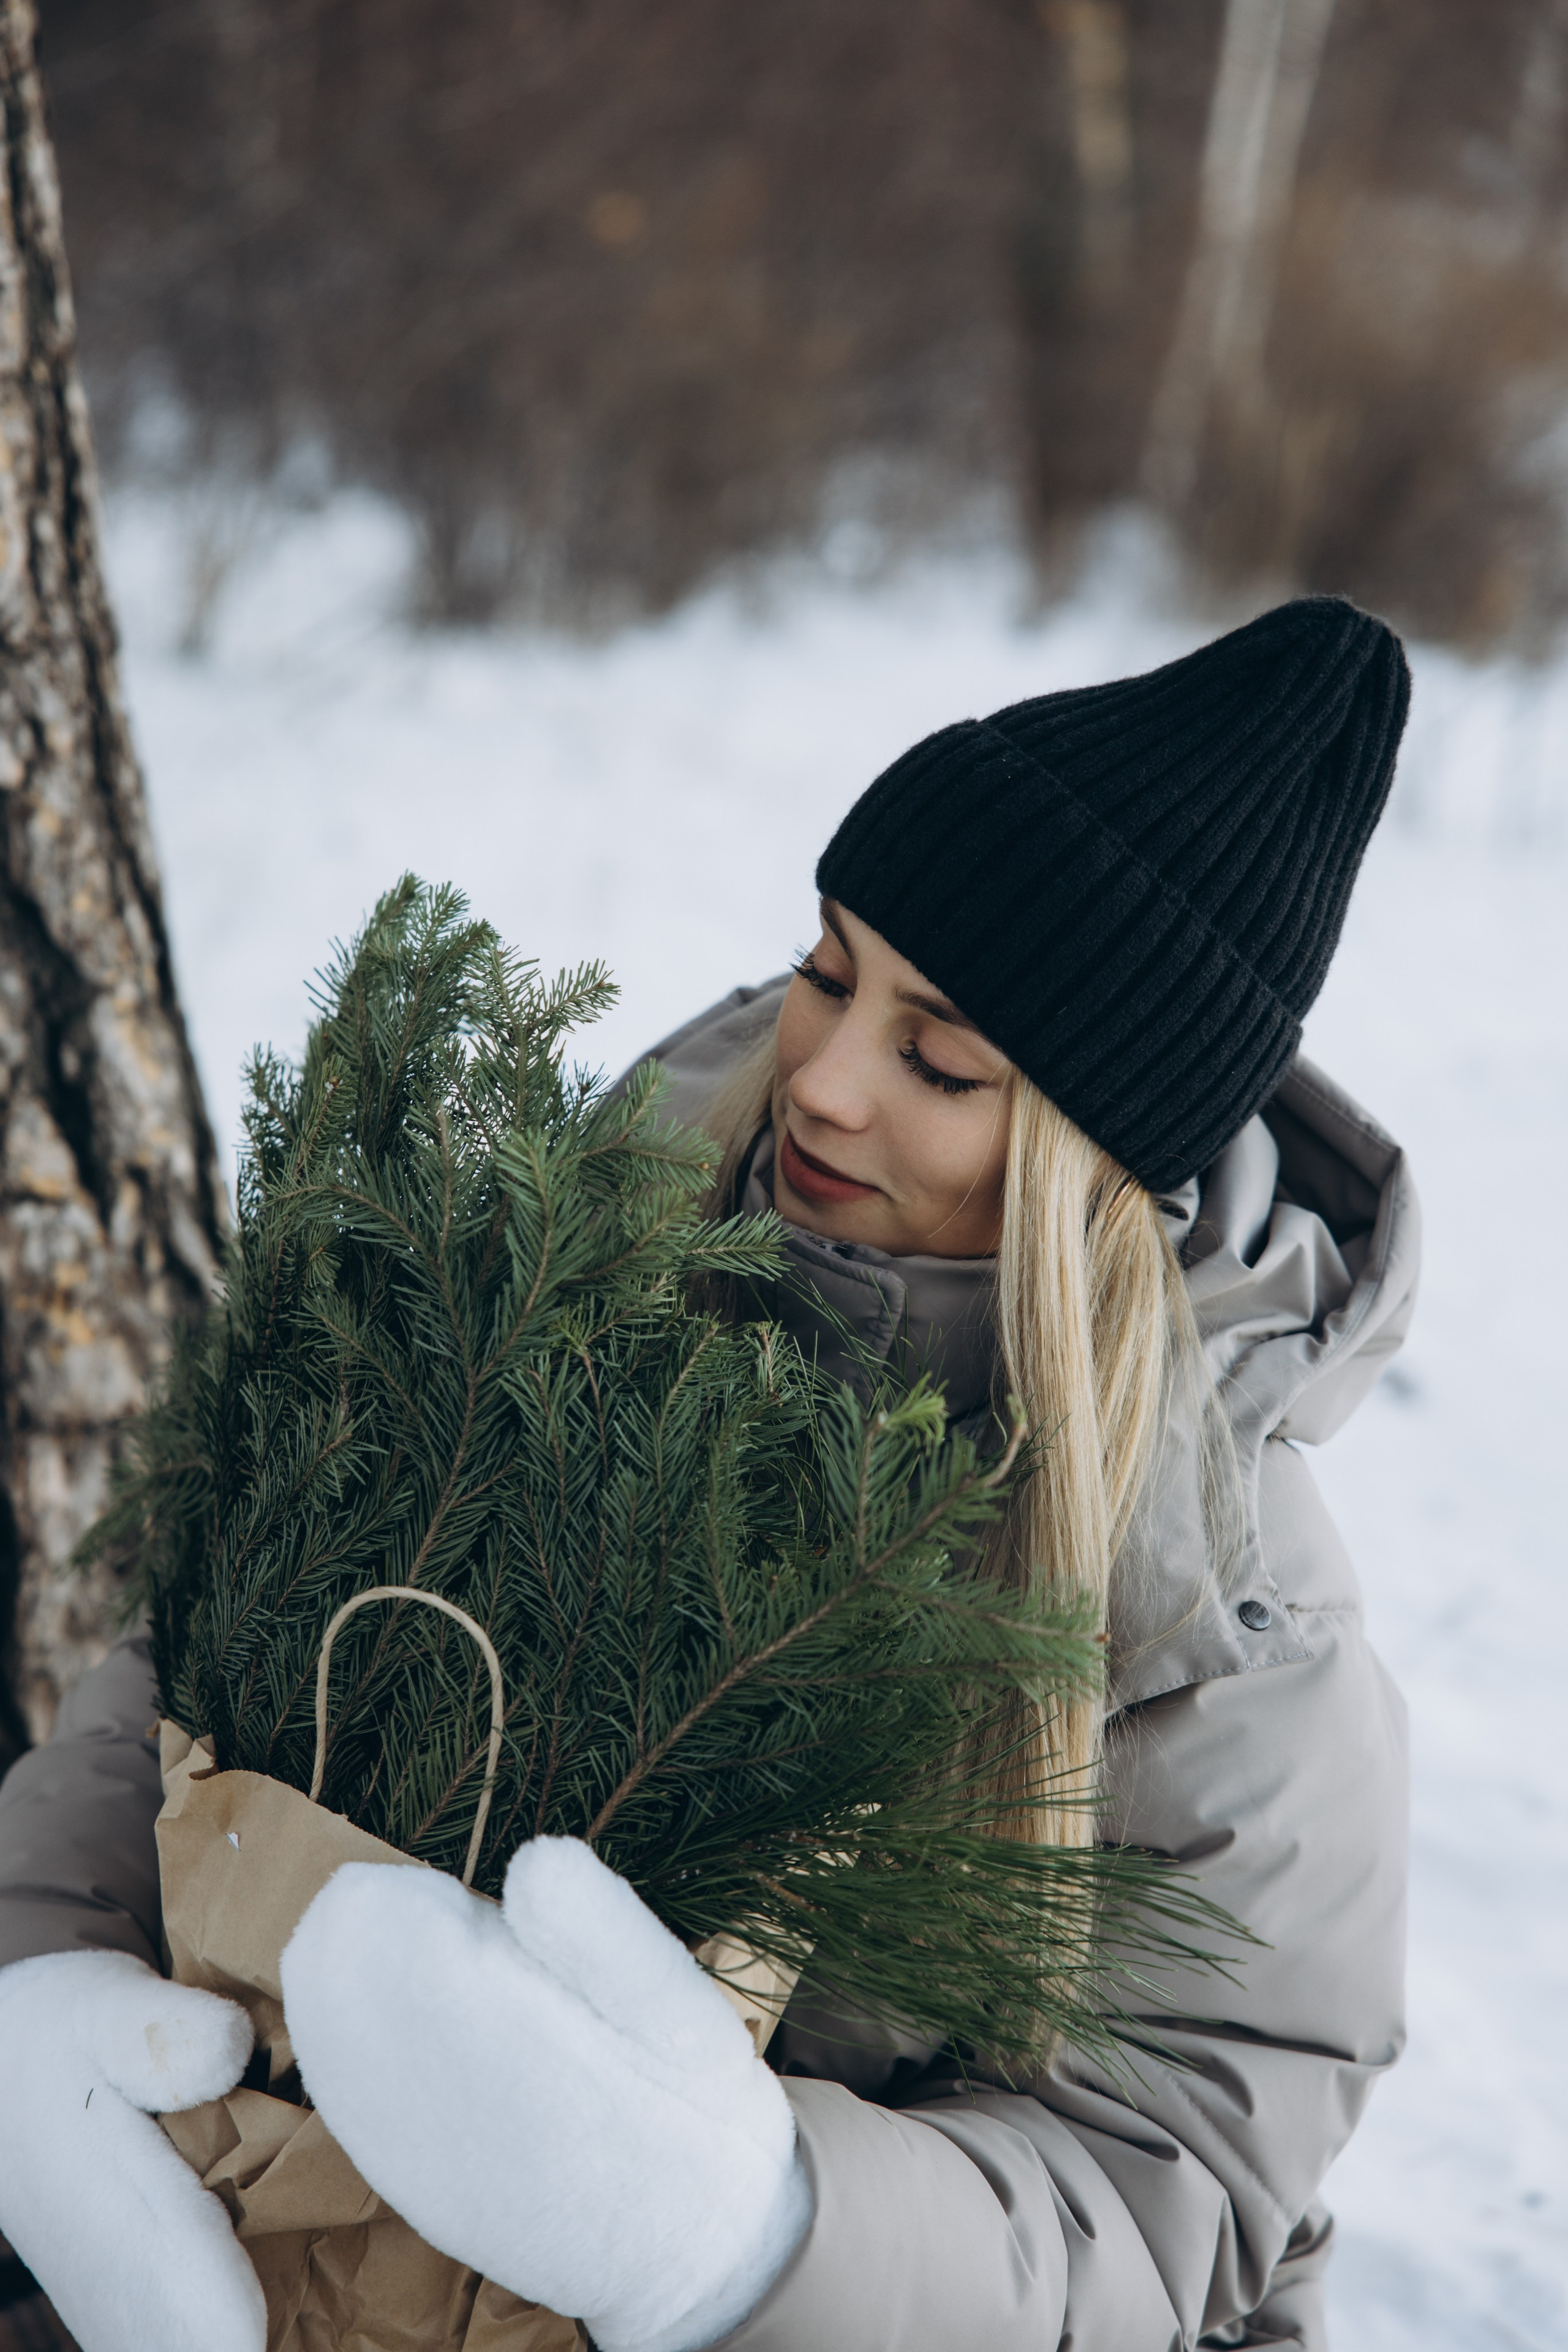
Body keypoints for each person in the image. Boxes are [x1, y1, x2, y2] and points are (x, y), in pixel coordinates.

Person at [0, 594, 1414, 2352]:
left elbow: (1162, 2195)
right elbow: (212, 1645)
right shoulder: (577, 1267)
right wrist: (42, 1978)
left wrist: (745, 2238)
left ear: (1089, 1163)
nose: (818, 1079)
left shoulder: (1226, 1631)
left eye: (941, 1058)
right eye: (830, 967)